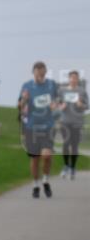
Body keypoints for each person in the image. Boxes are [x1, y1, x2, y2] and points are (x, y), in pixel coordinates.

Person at [19, 62, 60, 197]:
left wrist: (56, 106)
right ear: (33, 73)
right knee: (35, 158)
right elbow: (20, 106)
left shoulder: (51, 85)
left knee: (47, 156)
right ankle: (36, 184)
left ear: (45, 73)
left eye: (42, 73)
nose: (40, 76)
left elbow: (60, 101)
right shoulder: (27, 86)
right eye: (38, 73)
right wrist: (24, 100)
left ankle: (46, 180)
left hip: (48, 126)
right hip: (32, 127)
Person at [57, 70, 88, 179]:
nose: (74, 79)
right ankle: (66, 166)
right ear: (69, 79)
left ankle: (73, 168)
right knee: (66, 144)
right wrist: (61, 107)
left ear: (78, 79)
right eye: (72, 77)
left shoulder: (82, 91)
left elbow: (87, 106)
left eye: (75, 78)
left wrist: (81, 105)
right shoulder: (62, 91)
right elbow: (57, 104)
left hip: (77, 122)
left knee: (74, 146)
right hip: (65, 121)